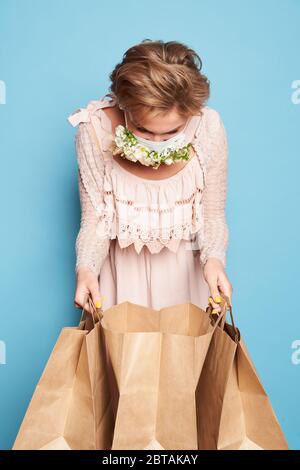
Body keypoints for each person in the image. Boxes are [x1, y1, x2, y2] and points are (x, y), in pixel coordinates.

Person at [67, 39, 233, 315]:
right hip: (121, 279)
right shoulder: (93, 130)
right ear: (124, 106)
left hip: (189, 276)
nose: (158, 141)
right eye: (144, 130)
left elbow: (212, 215)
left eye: (172, 132)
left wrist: (214, 261)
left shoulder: (209, 126)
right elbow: (94, 220)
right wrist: (85, 269)